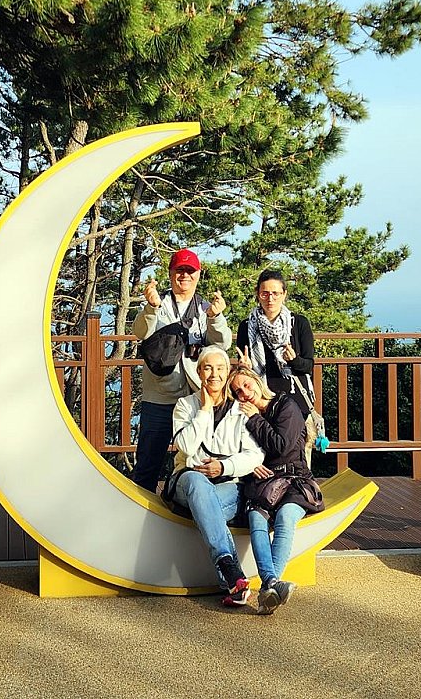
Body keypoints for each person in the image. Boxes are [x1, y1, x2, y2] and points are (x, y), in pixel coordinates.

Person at [168, 346, 263, 607]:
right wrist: (204, 410)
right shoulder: (185, 406)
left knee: (206, 506)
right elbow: (186, 446)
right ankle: (229, 567)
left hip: (227, 485)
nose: (214, 374)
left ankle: (233, 579)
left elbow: (254, 455)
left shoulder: (240, 409)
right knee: (197, 483)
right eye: (208, 368)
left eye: (220, 368)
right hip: (187, 481)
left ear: (227, 372)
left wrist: (224, 467)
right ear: (199, 372)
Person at [129, 248, 230, 491]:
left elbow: (222, 345)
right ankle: (141, 510)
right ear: (170, 273)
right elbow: (140, 332)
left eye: (190, 271)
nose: (184, 275)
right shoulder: (158, 303)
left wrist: (215, 318)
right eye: (179, 270)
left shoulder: (205, 308)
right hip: (159, 397)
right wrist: (150, 308)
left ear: (198, 275)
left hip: (195, 397)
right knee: (148, 465)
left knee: (196, 462)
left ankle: (188, 507)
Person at [233, 364, 317, 615]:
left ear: (257, 381)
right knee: (256, 518)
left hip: (294, 479)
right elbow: (237, 449)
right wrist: (250, 465)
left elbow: (281, 446)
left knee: (286, 517)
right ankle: (271, 584)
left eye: (246, 385)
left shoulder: (285, 405)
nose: (244, 393)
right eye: (237, 392)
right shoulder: (240, 416)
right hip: (263, 482)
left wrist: (255, 419)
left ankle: (268, 586)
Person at [237, 269, 314, 400]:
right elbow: (244, 368)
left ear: (284, 294)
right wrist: (244, 368)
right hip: (261, 397)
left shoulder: (299, 323)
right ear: (258, 294)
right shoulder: (246, 326)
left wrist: (294, 360)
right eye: (265, 294)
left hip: (295, 396)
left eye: (276, 293)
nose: (270, 299)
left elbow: (308, 366)